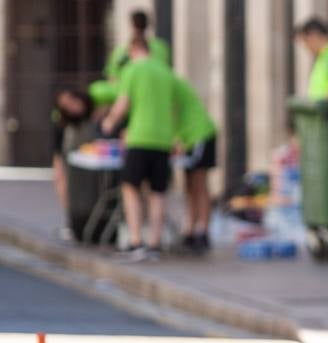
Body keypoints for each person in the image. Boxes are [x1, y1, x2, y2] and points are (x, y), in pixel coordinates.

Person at [100, 39, 178, 260]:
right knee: (158, 192)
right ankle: (154, 243)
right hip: (163, 139)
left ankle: (136, 241)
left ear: (133, 50)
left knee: (130, 188)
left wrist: (109, 123)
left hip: (139, 137)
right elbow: (173, 107)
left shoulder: (133, 70)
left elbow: (123, 102)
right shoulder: (165, 71)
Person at [172, 72, 218, 252]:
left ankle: (203, 230)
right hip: (187, 137)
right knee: (189, 185)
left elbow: (171, 114)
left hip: (199, 135)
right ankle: (190, 228)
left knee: (200, 183)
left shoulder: (166, 83)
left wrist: (175, 139)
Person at [50, 89, 94, 240]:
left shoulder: (91, 117)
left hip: (90, 164)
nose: (71, 107)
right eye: (65, 105)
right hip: (71, 162)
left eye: (72, 102)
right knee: (64, 184)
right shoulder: (63, 123)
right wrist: (58, 169)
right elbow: (57, 150)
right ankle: (72, 222)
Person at [105, 9, 171, 83]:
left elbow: (113, 79)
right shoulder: (160, 48)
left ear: (132, 25)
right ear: (148, 24)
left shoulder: (121, 51)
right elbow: (167, 73)